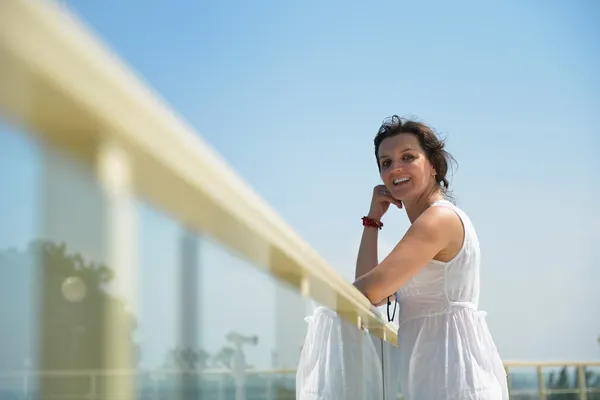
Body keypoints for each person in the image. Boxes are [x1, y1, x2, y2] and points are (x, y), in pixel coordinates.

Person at [353, 116, 509, 400]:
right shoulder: (430, 222)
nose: (395, 168)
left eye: (408, 156)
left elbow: (370, 291)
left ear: (433, 166)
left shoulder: (437, 220)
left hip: (455, 382)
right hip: (438, 378)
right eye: (385, 162)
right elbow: (373, 290)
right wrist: (372, 220)